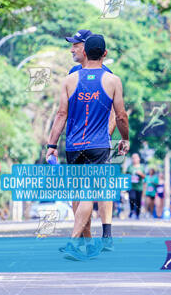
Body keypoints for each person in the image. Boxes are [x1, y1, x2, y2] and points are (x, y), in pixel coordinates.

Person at [47, 35, 129, 261]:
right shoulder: (113, 80)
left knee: (79, 194)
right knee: (87, 195)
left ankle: (88, 243)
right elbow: (121, 115)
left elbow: (61, 115)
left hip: (73, 146)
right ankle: (75, 242)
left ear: (85, 52)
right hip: (98, 146)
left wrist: (51, 145)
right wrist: (125, 138)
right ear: (104, 54)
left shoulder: (69, 80)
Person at [65, 29, 117, 251]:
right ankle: (85, 239)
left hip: (97, 142)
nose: (72, 49)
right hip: (76, 143)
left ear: (87, 48)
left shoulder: (107, 75)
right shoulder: (73, 73)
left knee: (99, 189)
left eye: (76, 45)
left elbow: (116, 113)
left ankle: (105, 234)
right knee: (80, 192)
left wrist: (102, 135)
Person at [127, 153, 145, 219]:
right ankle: (132, 210)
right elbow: (126, 175)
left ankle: (137, 214)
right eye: (133, 158)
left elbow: (144, 177)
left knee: (138, 201)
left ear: (139, 159)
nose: (134, 159)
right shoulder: (130, 167)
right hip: (131, 186)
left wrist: (140, 174)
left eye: (135, 158)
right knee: (132, 198)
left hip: (139, 187)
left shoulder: (142, 167)